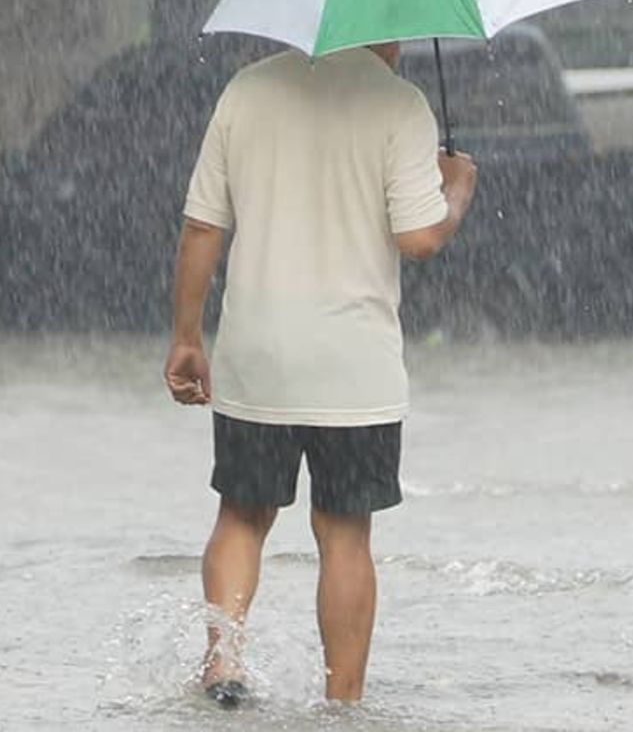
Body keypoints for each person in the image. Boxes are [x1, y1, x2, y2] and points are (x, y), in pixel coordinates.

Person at [163, 41, 478, 707]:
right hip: (353, 366)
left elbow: (200, 227)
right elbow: (419, 238)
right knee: (343, 533)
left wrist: (187, 336)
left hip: (258, 352)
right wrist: (457, 189)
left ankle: (222, 663)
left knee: (242, 516)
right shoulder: (400, 105)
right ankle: (343, 703)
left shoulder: (247, 89)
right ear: (388, 27)